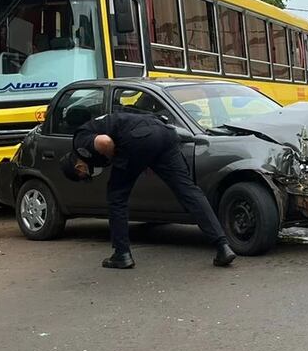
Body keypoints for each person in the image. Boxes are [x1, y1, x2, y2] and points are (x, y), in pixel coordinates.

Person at [60, 111, 237, 269]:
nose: (89, 174)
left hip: (138, 139)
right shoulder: (101, 123)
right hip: (165, 133)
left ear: (78, 168)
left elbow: (105, 142)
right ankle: (222, 246)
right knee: (188, 190)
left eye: (83, 175)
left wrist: (121, 157)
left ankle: (122, 254)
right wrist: (144, 158)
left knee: (116, 198)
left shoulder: (80, 140)